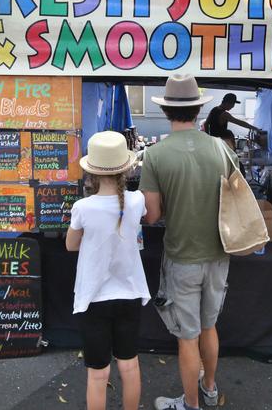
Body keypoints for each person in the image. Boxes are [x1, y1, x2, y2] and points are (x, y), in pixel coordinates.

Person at [140, 74, 237, 410]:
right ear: (199, 109)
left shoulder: (156, 155)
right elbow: (236, 201)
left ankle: (190, 405)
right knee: (209, 327)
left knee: (188, 337)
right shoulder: (223, 149)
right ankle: (209, 390)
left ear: (167, 111)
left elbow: (151, 216)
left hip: (182, 256)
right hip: (219, 254)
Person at [66, 131, 151, 410]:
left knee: (98, 372)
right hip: (129, 295)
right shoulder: (136, 200)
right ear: (124, 169)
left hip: (94, 298)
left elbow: (71, 245)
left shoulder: (83, 207)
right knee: (129, 365)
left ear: (91, 173)